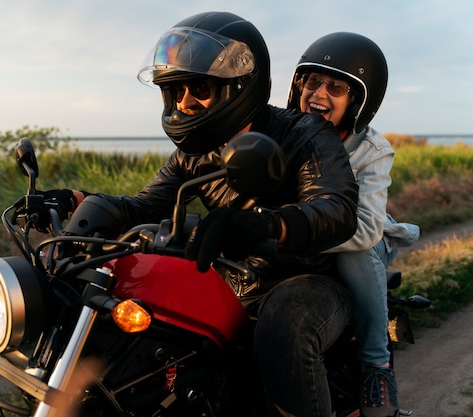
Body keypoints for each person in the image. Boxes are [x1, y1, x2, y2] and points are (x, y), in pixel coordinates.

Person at [45, 12, 359, 416]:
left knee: (286, 329)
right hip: (231, 278)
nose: (186, 102)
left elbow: (336, 209)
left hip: (304, 279)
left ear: (239, 86)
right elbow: (144, 206)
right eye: (175, 91)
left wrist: (266, 225)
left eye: (200, 88)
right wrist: (74, 200)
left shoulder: (305, 133)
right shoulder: (194, 153)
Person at [287, 32, 420, 417]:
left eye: (336, 87)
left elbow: (363, 230)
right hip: (300, 234)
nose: (319, 94)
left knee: (355, 250)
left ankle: (376, 364)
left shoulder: (371, 150)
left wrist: (283, 235)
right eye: (312, 82)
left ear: (359, 100)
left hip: (358, 239)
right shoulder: (282, 130)